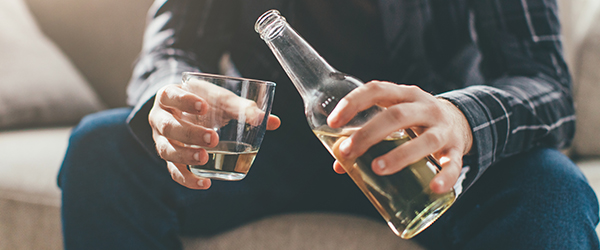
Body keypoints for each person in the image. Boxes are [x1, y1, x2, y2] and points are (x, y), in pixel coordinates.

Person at [58, 0, 600, 249]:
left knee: (551, 189)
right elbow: (173, 46)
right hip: (272, 142)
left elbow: (544, 81)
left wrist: (461, 118)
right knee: (101, 151)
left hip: (433, 151)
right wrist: (171, 97)